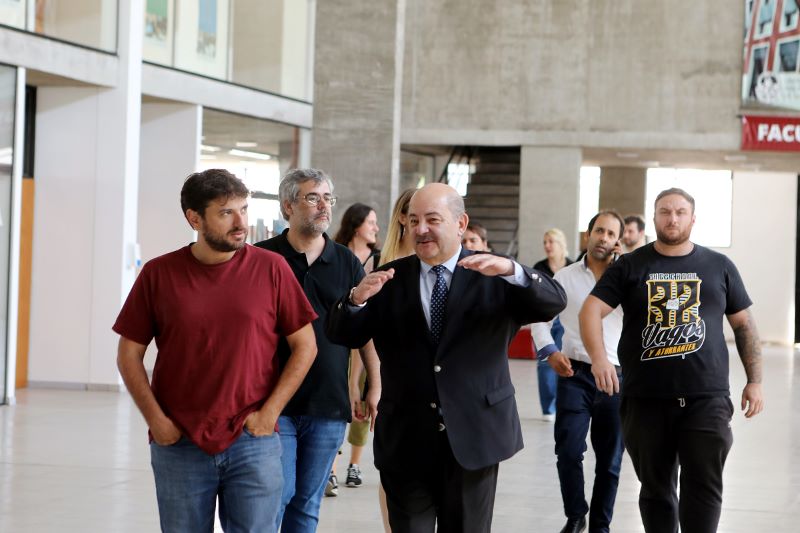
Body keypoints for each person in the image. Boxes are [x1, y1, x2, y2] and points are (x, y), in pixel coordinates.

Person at [326, 182, 567, 532]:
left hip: (475, 435)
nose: (421, 229)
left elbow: (554, 301)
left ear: (460, 223)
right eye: (413, 220)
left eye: (432, 219)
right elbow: (341, 335)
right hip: (406, 440)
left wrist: (512, 270)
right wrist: (355, 300)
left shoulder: (494, 275)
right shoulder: (390, 280)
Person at [113, 169, 318, 532]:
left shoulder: (271, 268)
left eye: (243, 209)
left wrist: (270, 413)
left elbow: (305, 346)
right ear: (194, 218)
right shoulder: (159, 274)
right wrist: (156, 421)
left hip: (253, 440)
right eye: (226, 213)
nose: (241, 223)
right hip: (180, 442)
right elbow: (129, 354)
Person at [580, 188, 765, 533]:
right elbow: (590, 310)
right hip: (646, 400)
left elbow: (744, 325)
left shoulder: (719, 266)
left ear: (693, 219)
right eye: (665, 211)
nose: (672, 218)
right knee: (656, 491)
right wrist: (598, 359)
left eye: (680, 212)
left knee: (703, 487)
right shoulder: (630, 266)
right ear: (654, 217)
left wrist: (755, 380)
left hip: (706, 399)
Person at [255, 169, 381, 532]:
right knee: (277, 495)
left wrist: (374, 384)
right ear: (287, 206)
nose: (324, 205)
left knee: (307, 503)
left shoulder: (346, 262)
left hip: (327, 402)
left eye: (328, 198)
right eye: (313, 198)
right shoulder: (261, 258)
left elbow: (365, 330)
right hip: (273, 400)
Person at [531, 211, 625, 533]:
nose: (604, 238)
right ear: (588, 235)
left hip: (616, 378)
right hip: (575, 375)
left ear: (618, 241)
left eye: (611, 234)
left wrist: (625, 266)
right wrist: (550, 351)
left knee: (610, 460)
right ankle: (575, 515)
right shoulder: (565, 276)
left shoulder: (627, 278)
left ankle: (601, 526)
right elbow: (540, 318)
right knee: (568, 451)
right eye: (600, 231)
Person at [333, 202, 382, 490]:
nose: (376, 227)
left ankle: (354, 464)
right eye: (371, 222)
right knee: (338, 402)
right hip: (338, 341)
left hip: (367, 342)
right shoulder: (336, 256)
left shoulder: (378, 260)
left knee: (362, 402)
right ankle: (332, 466)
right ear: (356, 225)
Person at [532, 228, 574, 421]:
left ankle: (564, 403)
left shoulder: (572, 267)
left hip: (567, 319)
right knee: (545, 363)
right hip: (544, 318)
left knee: (568, 360)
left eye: (551, 242)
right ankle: (549, 408)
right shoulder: (539, 267)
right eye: (545, 242)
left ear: (561, 244)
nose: (547, 246)